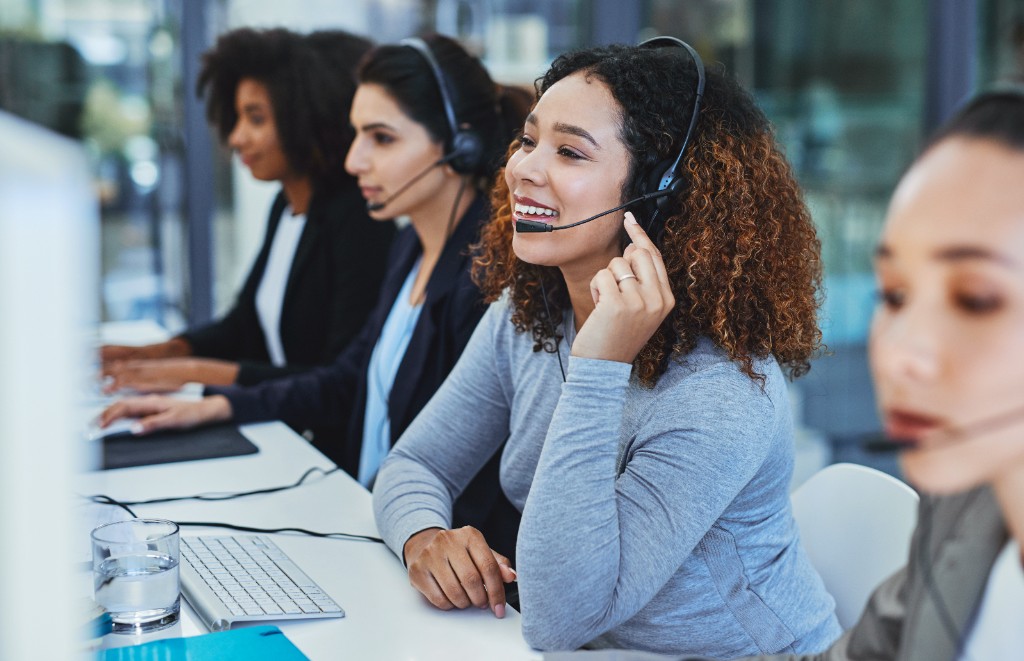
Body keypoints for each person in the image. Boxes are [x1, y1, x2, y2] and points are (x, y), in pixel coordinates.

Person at [372, 39, 840, 657]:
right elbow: (414, 464)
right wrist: (423, 535)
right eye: (528, 140)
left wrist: (599, 366)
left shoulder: (719, 390)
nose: (522, 170)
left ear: (661, 193)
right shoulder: (529, 316)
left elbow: (559, 617)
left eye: (569, 152)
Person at [542, 89, 1024, 661]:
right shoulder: (967, 501)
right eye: (894, 295)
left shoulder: (722, 390)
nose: (902, 352)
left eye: (975, 299)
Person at [100, 34, 529, 561]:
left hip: (427, 558)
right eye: (356, 135)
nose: (354, 161)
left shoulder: (486, 280)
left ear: (457, 145)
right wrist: (215, 406)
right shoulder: (408, 250)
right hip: (368, 523)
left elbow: (477, 478)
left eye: (382, 138)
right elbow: (347, 380)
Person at [101, 27, 394, 390]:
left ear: (307, 118)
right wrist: (157, 353)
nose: (236, 137)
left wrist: (191, 371)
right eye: (237, 118)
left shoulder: (357, 218)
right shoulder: (286, 206)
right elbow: (245, 324)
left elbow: (341, 381)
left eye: (256, 119)